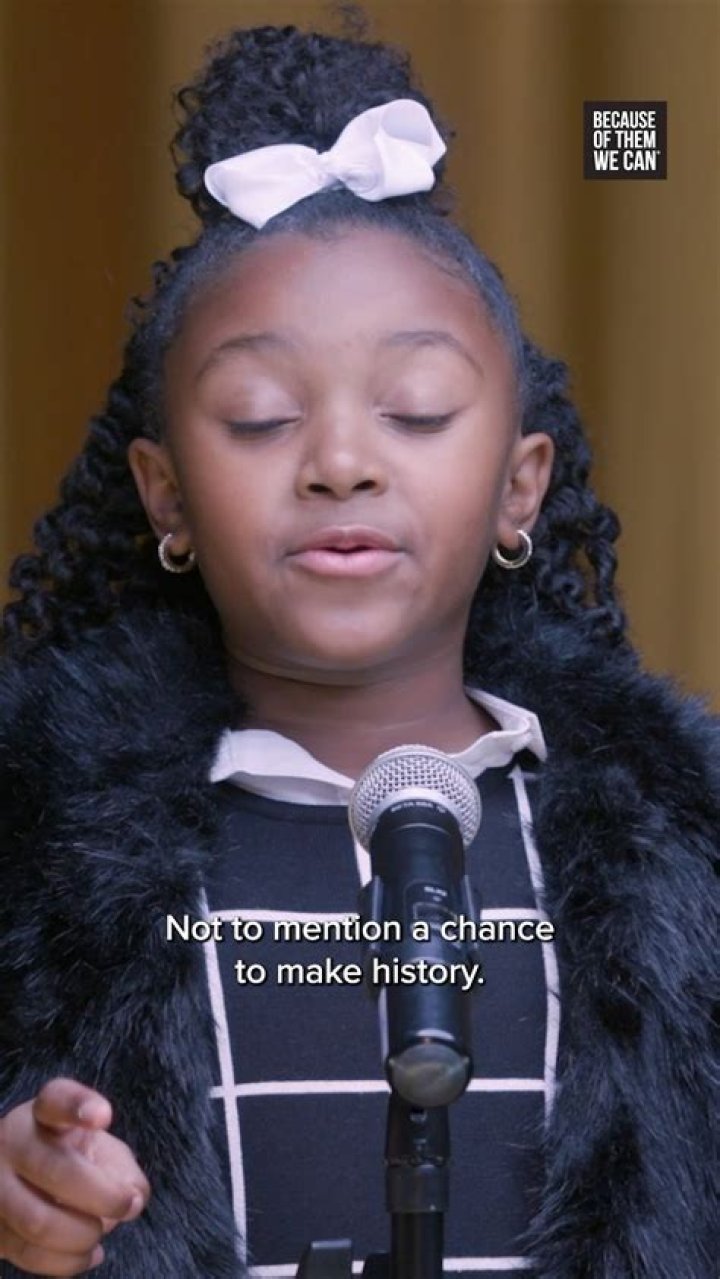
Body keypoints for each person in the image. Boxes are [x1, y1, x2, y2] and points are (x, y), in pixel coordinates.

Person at [0, 15, 716, 1279]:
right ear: (165, 494)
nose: (340, 462)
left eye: (417, 410)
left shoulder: (686, 845)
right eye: (260, 416)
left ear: (521, 485)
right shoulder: (28, 842)